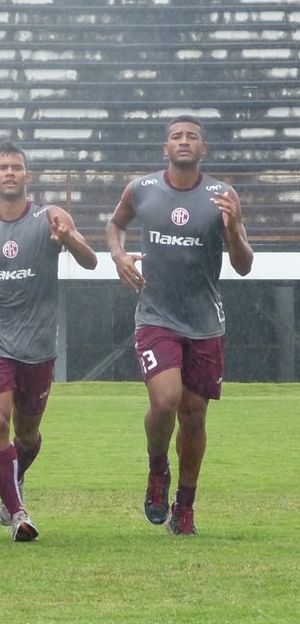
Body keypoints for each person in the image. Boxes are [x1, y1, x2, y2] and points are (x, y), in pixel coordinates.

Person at [106, 115, 253, 536]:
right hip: (156, 315)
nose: (183, 141)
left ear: (204, 149)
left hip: (205, 321)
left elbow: (243, 266)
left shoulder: (222, 195)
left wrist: (236, 227)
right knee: (166, 399)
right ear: (165, 148)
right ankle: (157, 471)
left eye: (192, 136)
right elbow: (115, 225)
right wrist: (118, 256)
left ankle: (184, 507)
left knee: (193, 415)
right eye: (175, 136)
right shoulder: (142, 189)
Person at [0, 141, 97, 542]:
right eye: (2, 167)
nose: (9, 172)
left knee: (27, 436)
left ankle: (11, 483)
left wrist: (68, 239)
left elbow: (91, 260)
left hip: (37, 344)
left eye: (16, 166)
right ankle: (18, 513)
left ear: (27, 176)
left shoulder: (51, 216)